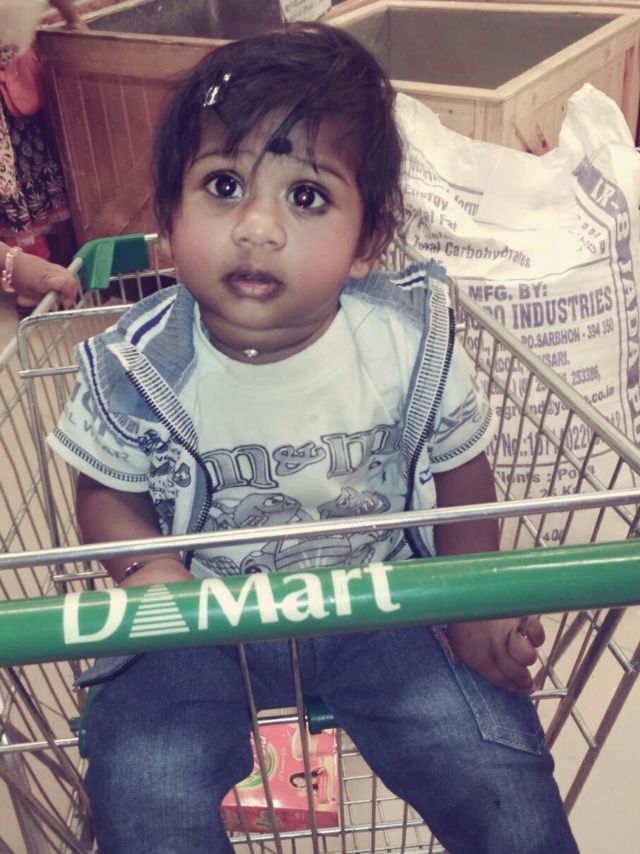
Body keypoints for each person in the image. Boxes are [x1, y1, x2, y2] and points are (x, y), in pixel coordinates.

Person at [48, 23, 579, 854]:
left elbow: (461, 467)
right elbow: (106, 488)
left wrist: (474, 596)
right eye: (224, 184)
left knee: (494, 768)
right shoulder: (137, 364)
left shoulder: (407, 343)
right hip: (202, 617)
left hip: (380, 601)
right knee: (144, 779)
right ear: (169, 216)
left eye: (306, 197)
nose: (258, 228)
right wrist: (151, 577)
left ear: (367, 241)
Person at [0, 0, 85, 315]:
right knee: (12, 189)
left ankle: (41, 276)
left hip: (15, 87)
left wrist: (73, 19)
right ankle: (31, 285)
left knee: (27, 179)